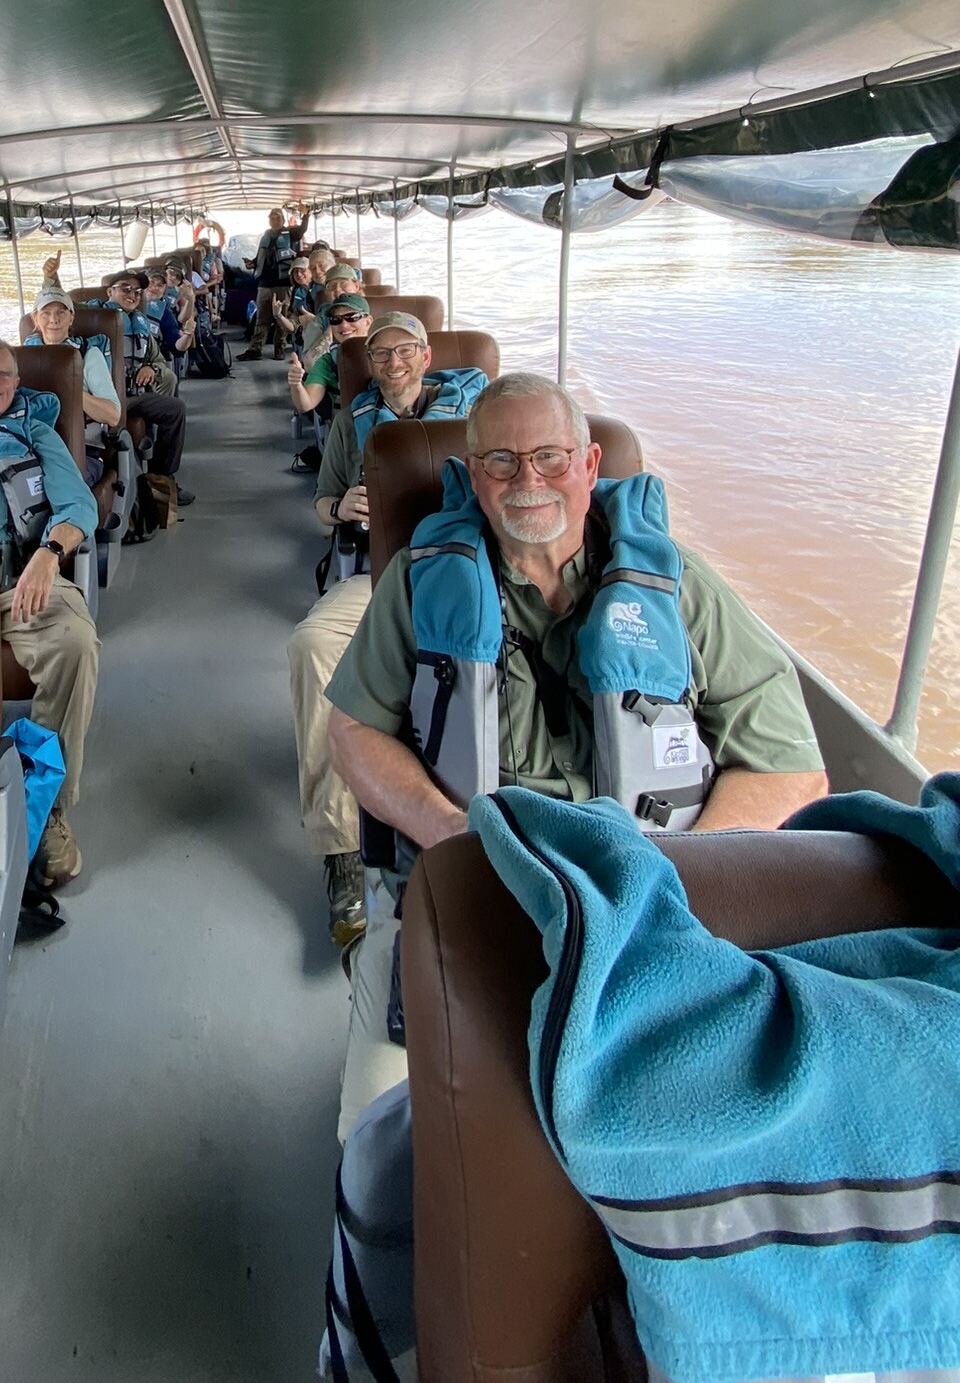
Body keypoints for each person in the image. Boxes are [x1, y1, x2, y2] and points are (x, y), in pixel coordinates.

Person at [324, 372, 830, 1139]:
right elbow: (353, 731)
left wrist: (680, 870)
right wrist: (448, 831)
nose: (527, 481)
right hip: (477, 882)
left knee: (730, 1123)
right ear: (471, 474)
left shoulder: (677, 590)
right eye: (500, 461)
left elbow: (792, 768)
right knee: (376, 1127)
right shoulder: (421, 585)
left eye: (550, 458)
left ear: (590, 466)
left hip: (656, 900)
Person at [288, 315, 488, 954]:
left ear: (427, 356)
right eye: (382, 355)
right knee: (311, 646)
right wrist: (339, 507)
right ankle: (342, 847)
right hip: (383, 580)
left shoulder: (481, 416)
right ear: (370, 365)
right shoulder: (353, 423)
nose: (394, 363)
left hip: (476, 576)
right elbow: (319, 507)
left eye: (405, 351)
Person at [0, 338, 102, 882]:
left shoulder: (36, 434)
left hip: (18, 584)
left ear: (17, 383)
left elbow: (78, 504)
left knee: (74, 643)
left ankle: (47, 798)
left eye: (2, 376)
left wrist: (49, 554)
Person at [91, 271, 194, 506]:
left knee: (174, 409)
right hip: (105, 400)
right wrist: (51, 280)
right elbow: (59, 311)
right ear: (110, 292)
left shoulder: (140, 324)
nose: (132, 295)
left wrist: (151, 369)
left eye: (137, 292)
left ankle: (162, 476)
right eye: (125, 289)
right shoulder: (92, 317)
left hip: (133, 395)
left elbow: (158, 359)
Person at [23, 280, 121, 488]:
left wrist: (70, 388)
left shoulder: (89, 355)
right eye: (46, 313)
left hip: (82, 450)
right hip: (34, 449)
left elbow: (113, 415)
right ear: (35, 319)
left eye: (61, 313)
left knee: (59, 488)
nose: (54, 320)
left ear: (71, 317)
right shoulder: (22, 358)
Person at [238, 202, 310, 360]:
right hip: (264, 283)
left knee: (281, 317)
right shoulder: (265, 236)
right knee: (261, 318)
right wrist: (252, 263)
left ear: (283, 220)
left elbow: (302, 230)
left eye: (277, 218)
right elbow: (260, 258)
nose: (274, 221)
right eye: (272, 218)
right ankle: (255, 349)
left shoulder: (290, 234)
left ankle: (280, 348)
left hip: (283, 283)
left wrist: (306, 215)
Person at [287, 292, 371, 416]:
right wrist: (296, 384)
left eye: (352, 317)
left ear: (368, 322)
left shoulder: (387, 352)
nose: (344, 325)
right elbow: (305, 404)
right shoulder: (328, 362)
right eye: (336, 320)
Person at [298, 262, 363, 364]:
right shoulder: (321, 318)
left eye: (344, 284)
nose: (337, 289)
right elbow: (309, 363)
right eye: (331, 286)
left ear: (356, 285)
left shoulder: (370, 312)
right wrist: (334, 325)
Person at [272, 255, 318, 360]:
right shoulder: (298, 293)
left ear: (311, 272)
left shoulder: (321, 289)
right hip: (306, 337)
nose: (298, 274)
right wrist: (278, 315)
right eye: (295, 271)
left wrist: (314, 319)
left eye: (302, 270)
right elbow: (293, 327)